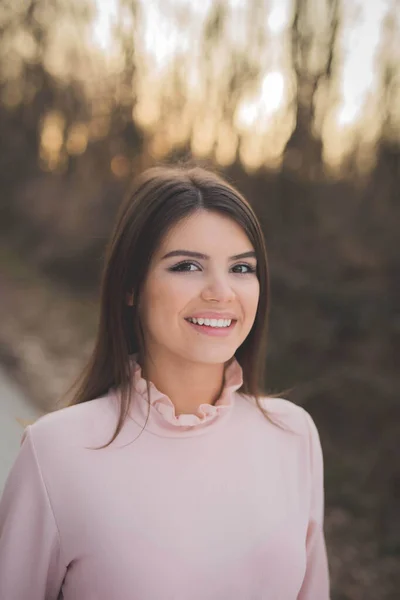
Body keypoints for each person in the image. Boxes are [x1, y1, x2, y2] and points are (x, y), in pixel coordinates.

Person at [0, 165, 330, 599]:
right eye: (188, 265)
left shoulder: (294, 435)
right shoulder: (55, 453)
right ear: (131, 285)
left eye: (242, 268)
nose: (221, 291)